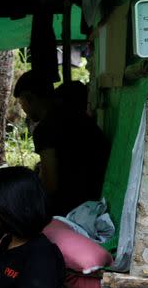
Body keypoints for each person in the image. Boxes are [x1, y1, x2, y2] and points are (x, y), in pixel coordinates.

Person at [13, 71, 110, 217]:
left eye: (22, 103)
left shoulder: (45, 128)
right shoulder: (76, 115)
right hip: (97, 194)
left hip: (74, 206)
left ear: (29, 98)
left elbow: (50, 184)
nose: (23, 110)